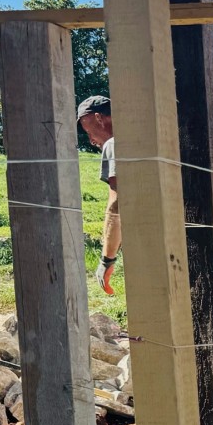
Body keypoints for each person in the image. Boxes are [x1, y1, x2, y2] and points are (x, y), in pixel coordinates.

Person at [77, 95, 121, 295]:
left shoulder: (114, 144)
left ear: (99, 118)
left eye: (88, 131)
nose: (91, 140)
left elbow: (118, 204)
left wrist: (107, 260)